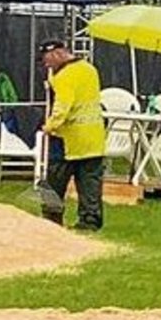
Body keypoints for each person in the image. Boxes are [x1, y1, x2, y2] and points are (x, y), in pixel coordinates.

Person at [39, 40, 106, 231]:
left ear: (58, 54)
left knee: (54, 182)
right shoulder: (89, 69)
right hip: (93, 137)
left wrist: (48, 127)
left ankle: (51, 220)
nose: (46, 64)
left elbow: (62, 107)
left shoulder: (65, 76)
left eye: (47, 60)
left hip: (68, 139)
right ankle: (90, 221)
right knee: (90, 183)